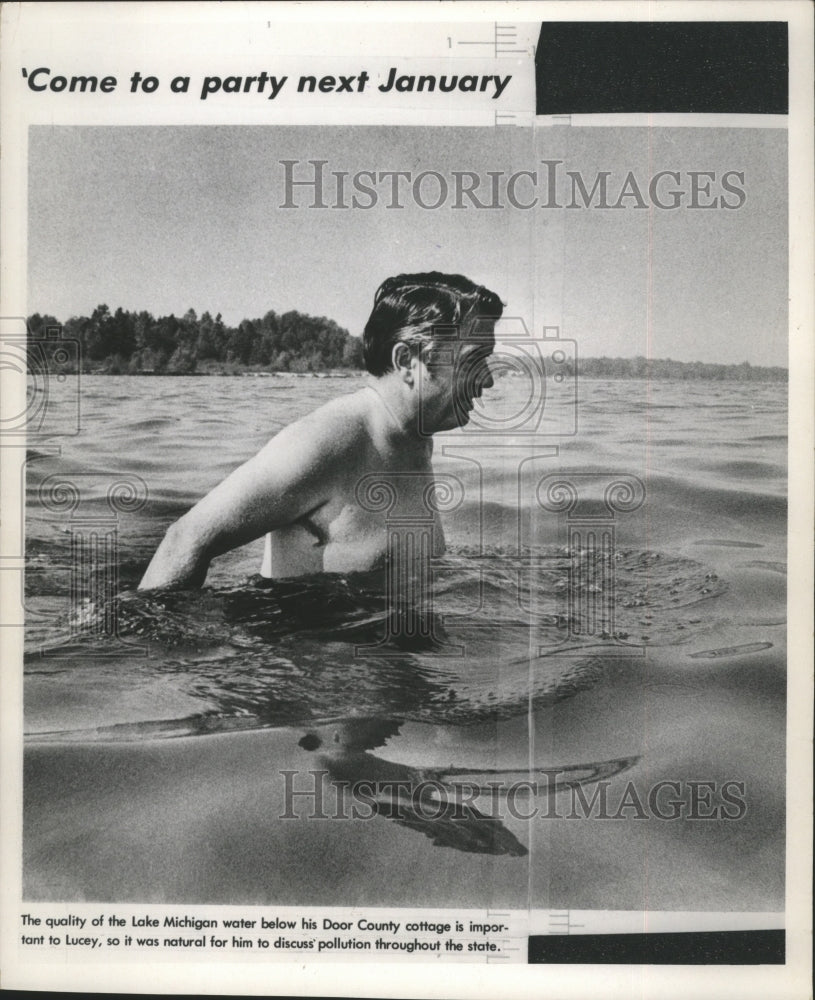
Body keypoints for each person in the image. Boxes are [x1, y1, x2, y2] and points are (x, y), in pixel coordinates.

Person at [138, 272, 502, 590]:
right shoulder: (327, 440)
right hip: (298, 656)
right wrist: (160, 665)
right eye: (473, 360)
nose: (486, 379)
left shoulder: (414, 439)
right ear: (408, 361)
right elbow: (186, 540)